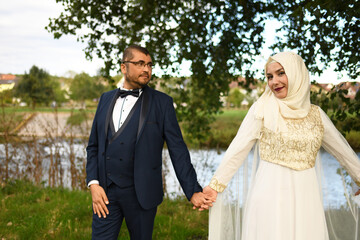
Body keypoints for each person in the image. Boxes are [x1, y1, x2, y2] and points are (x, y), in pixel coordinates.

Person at [202, 51, 360, 240]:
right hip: (270, 197)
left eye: (280, 73)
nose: (274, 81)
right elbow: (238, 148)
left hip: (306, 198)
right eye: (269, 76)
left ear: (296, 73)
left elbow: (343, 151)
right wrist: (215, 185)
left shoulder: (316, 115)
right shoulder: (262, 108)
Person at [86, 44, 210, 239]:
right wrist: (93, 184)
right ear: (124, 67)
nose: (147, 69)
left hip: (142, 195)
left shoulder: (163, 103)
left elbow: (177, 149)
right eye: (140, 63)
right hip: (105, 194)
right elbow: (93, 146)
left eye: (150, 65)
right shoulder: (105, 99)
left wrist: (193, 190)